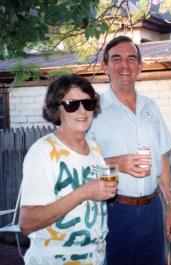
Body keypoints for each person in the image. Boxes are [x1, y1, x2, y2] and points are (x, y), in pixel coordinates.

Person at [87, 35, 171, 265]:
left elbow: (162, 160)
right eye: (116, 59)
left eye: (131, 59)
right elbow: (81, 165)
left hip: (152, 212)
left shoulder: (152, 107)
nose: (124, 65)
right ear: (104, 66)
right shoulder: (91, 111)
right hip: (113, 212)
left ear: (140, 66)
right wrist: (119, 162)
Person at [19, 75, 117, 265]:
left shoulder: (94, 148)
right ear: (57, 109)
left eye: (87, 103)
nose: (82, 110)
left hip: (96, 258)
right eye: (72, 104)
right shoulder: (43, 151)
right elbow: (26, 223)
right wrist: (83, 193)